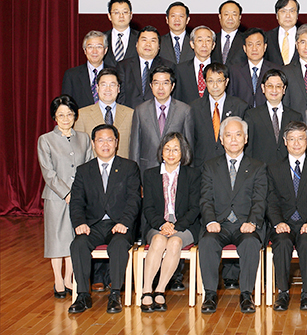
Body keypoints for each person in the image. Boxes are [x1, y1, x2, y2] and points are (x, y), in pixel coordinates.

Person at [68, 124, 141, 314]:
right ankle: (83, 295)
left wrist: (125, 222)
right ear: (93, 144)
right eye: (100, 140)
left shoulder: (129, 167)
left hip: (120, 225)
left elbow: (134, 200)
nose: (105, 144)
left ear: (116, 142)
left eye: (110, 139)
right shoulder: (84, 170)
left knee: (118, 245)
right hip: (92, 225)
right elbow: (76, 202)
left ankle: (115, 294)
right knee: (78, 245)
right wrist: (80, 223)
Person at [198, 117, 267, 314]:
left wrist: (252, 222)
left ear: (246, 138)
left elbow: (260, 199)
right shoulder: (210, 166)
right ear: (221, 139)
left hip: (245, 224)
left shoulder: (258, 166)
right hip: (218, 224)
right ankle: (210, 294)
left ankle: (246, 294)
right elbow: (205, 198)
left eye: (238, 135)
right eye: (228, 135)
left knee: (251, 243)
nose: (233, 139)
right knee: (207, 242)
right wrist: (210, 220)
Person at [267, 121, 307, 311]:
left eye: (300, 139)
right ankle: (283, 293)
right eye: (292, 139)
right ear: (285, 141)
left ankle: (306, 292)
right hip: (283, 224)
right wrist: (278, 222)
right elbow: (271, 200)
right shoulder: (274, 168)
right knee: (283, 242)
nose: (296, 143)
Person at [37, 95, 93, 299]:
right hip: (56, 197)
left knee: (73, 238)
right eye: (61, 114)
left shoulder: (84, 138)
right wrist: (66, 193)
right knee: (56, 240)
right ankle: (58, 280)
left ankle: (69, 278)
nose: (66, 118)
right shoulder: (45, 140)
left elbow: (88, 167)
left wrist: (80, 194)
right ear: (54, 117)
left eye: (69, 114)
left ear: (75, 116)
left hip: (80, 197)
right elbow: (48, 172)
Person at [140, 132, 201, 313]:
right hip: (157, 224)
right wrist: (162, 224)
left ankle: (160, 290)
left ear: (183, 152)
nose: (171, 153)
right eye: (167, 149)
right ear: (161, 151)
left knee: (174, 242)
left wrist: (177, 226)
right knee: (158, 240)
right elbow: (148, 207)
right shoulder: (150, 175)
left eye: (176, 149)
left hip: (185, 225)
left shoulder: (193, 174)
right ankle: (146, 290)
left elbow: (195, 207)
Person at [129, 66, 194, 177]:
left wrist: (188, 176)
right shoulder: (140, 110)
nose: (160, 88)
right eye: (156, 83)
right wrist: (135, 177)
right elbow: (135, 147)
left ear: (172, 86)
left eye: (165, 83)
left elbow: (188, 147)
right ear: (151, 85)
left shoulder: (184, 110)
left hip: (176, 171)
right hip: (147, 171)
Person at [190, 63, 248, 168]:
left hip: (231, 166)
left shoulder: (240, 107)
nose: (215, 86)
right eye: (210, 81)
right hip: (201, 167)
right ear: (204, 82)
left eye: (219, 81)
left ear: (226, 82)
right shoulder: (194, 107)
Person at [244, 69, 303, 165]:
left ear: (284, 89)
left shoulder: (295, 117)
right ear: (263, 88)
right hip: (261, 171)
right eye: (270, 86)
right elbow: (248, 148)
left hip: (287, 171)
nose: (274, 90)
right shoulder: (251, 115)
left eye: (278, 86)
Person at [74, 68, 134, 159]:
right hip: (92, 170)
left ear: (118, 89)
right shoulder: (81, 115)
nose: (108, 89)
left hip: (123, 170)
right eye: (104, 85)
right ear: (97, 88)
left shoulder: (131, 114)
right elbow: (78, 149)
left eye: (112, 85)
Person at [117, 25, 175, 109]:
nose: (148, 44)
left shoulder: (168, 66)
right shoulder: (123, 66)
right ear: (137, 44)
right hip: (129, 116)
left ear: (159, 46)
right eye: (144, 40)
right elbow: (120, 95)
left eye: (153, 41)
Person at [228, 27, 279, 108]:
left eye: (258, 44)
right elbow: (230, 99)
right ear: (244, 48)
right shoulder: (234, 71)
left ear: (265, 47)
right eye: (250, 44)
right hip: (241, 117)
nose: (254, 49)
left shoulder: (276, 70)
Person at [61, 30, 109, 108]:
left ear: (105, 50)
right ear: (84, 50)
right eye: (90, 47)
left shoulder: (115, 72)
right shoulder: (71, 75)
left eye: (99, 47)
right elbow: (67, 105)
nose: (94, 51)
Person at [174, 25, 216, 104]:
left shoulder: (221, 69)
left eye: (208, 40)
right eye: (200, 40)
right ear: (192, 44)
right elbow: (177, 98)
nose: (204, 45)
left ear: (213, 45)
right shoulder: (180, 69)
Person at [103, 0, 138, 68]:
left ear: (131, 15)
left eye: (125, 12)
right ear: (109, 16)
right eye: (116, 12)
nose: (121, 16)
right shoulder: (102, 38)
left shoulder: (140, 38)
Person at [266, 0, 300, 67]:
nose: (288, 15)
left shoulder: (305, 36)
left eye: (292, 11)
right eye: (283, 11)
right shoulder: (267, 37)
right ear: (277, 15)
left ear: (297, 15)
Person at [211, 0, 246, 66]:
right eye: (226, 14)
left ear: (240, 17)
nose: (230, 18)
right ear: (220, 17)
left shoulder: (246, 40)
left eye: (234, 14)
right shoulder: (212, 39)